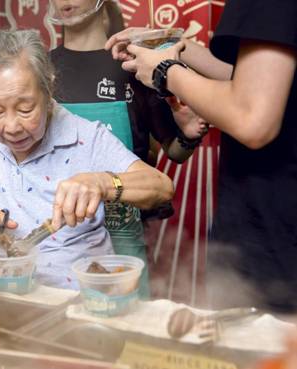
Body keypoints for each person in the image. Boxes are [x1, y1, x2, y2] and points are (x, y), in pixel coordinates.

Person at [0, 29, 174, 289]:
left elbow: (162, 187)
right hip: (7, 295)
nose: (11, 126)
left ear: (48, 87)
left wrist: (103, 183)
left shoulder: (86, 136)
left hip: (82, 299)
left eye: (25, 108)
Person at [105, 0, 297, 311]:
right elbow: (256, 82)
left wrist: (165, 71)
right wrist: (175, 45)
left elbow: (252, 117)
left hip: (275, 238)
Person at [46, 0, 208, 297]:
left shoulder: (135, 63)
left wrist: (188, 134)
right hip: (55, 233)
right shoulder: (41, 69)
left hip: (123, 236)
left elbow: (174, 151)